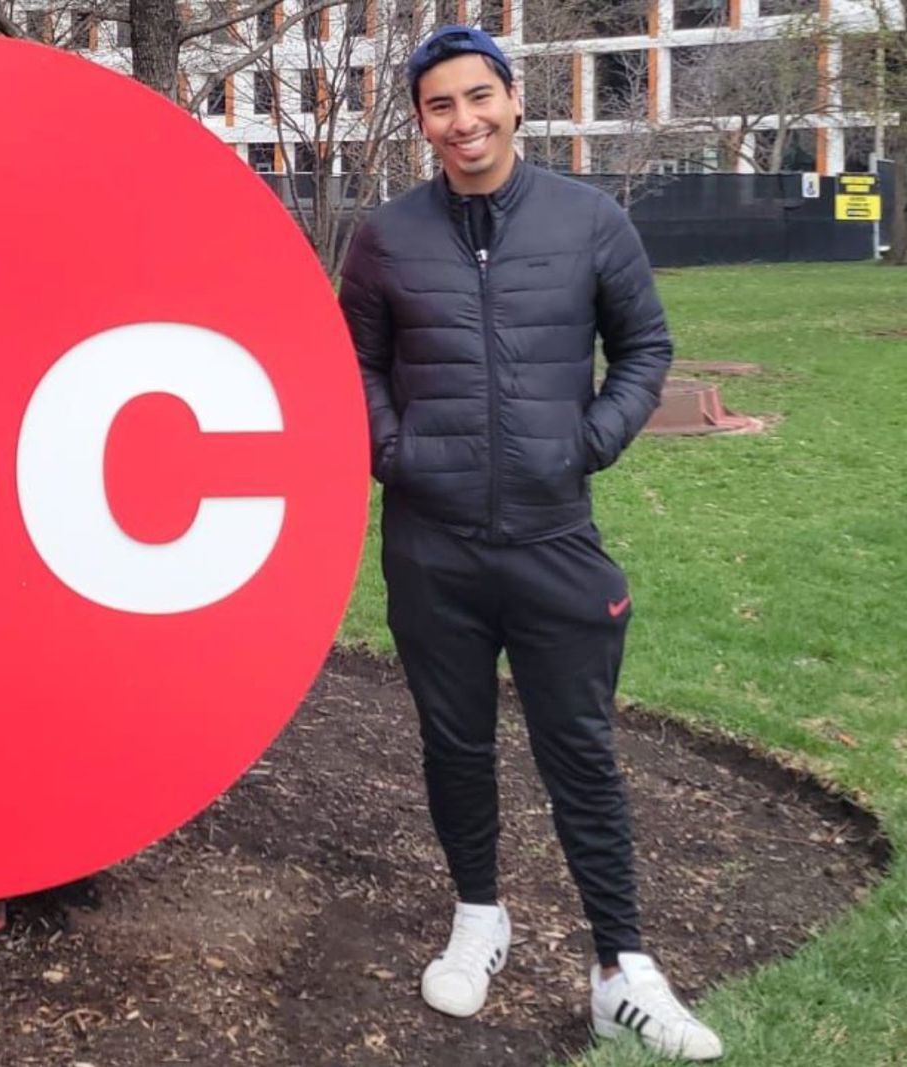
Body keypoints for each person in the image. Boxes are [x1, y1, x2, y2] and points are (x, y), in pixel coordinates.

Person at [338, 25, 723, 1062]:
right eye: (440, 105)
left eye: (479, 97)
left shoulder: (589, 221)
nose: (463, 121)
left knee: (580, 750)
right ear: (420, 122)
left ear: (514, 100)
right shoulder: (385, 238)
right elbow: (353, 363)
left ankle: (621, 969)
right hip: (433, 546)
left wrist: (589, 440)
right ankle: (478, 915)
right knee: (454, 744)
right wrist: (394, 450)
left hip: (555, 539)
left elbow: (643, 346)